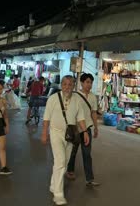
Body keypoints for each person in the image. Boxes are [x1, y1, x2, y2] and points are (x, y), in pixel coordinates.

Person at [41, 75, 90, 205]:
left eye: (70, 84)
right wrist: (44, 133)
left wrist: (85, 131)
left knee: (64, 162)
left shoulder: (77, 100)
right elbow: (46, 118)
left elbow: (80, 117)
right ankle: (58, 194)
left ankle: (53, 184)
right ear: (61, 85)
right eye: (65, 84)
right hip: (55, 133)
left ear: (73, 86)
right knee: (60, 161)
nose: (67, 87)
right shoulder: (53, 99)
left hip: (70, 135)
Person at [66, 73, 100, 187]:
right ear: (81, 83)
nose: (89, 85)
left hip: (88, 128)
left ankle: (89, 179)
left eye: (91, 82)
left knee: (87, 153)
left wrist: (96, 127)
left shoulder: (93, 97)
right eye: (87, 82)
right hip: (75, 129)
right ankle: (70, 171)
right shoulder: (75, 95)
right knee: (73, 152)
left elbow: (93, 112)